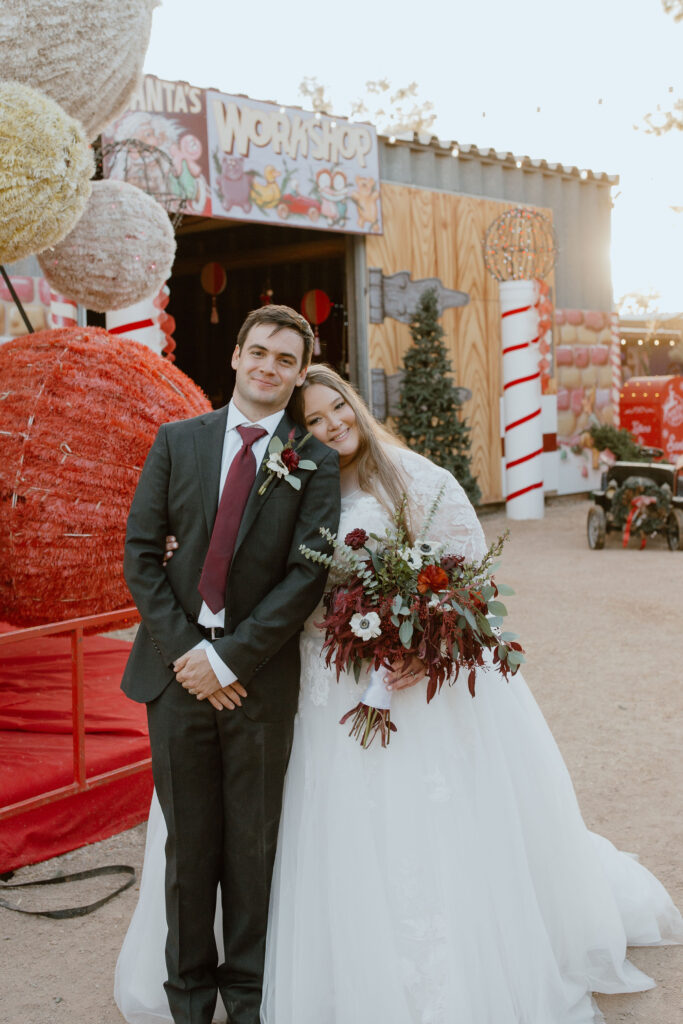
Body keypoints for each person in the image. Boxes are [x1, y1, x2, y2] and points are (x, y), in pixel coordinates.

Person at [117, 365, 682, 1024]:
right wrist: (183, 538)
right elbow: (248, 559)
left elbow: (470, 576)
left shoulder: (417, 478)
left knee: (419, 825)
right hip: (318, 679)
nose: (331, 427)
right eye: (314, 421)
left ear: (354, 404)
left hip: (408, 683)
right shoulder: (294, 485)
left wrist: (430, 646)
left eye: (338, 410)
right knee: (299, 824)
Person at [118, 309, 341, 1024]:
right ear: (236, 358)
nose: (267, 367)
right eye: (257, 353)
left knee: (251, 848)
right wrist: (193, 655)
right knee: (190, 850)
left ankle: (247, 1000)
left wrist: (231, 659)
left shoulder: (315, 460)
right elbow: (140, 555)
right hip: (176, 676)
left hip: (258, 682)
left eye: (284, 359)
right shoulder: (178, 442)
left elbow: (307, 576)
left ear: (298, 371)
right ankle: (188, 1002)